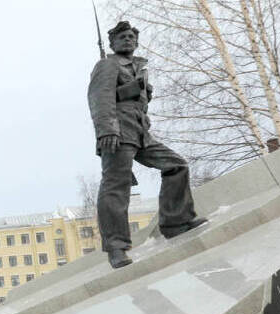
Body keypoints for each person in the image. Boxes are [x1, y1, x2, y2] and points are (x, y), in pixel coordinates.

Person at [88, 21, 206, 269]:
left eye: (131, 36)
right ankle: (116, 247)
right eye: (122, 37)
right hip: (118, 133)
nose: (128, 39)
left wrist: (143, 96)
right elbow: (100, 98)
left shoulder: (138, 67)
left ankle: (176, 222)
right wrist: (107, 131)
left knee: (177, 165)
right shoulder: (107, 65)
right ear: (112, 43)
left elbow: (134, 101)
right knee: (116, 188)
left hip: (141, 133)